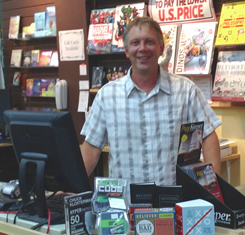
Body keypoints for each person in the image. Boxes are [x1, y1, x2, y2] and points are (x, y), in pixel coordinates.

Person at [80, 17, 222, 186]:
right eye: (135, 43)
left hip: (173, 204)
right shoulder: (106, 96)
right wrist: (71, 190)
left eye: (149, 42)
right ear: (126, 50)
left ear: (161, 48)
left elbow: (208, 136)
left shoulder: (186, 91)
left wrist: (213, 189)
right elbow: (91, 148)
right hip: (124, 206)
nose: (142, 48)